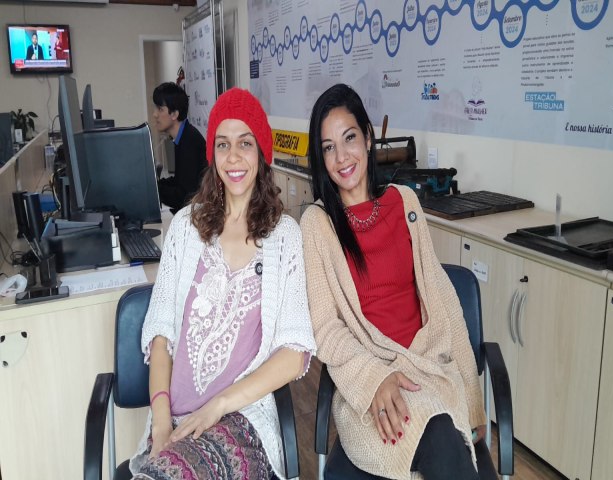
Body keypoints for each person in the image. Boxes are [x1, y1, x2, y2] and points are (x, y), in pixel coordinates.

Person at [301, 83, 486, 480]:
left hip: (429, 367)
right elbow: (325, 329)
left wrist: (473, 402)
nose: (341, 156)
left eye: (349, 138)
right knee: (440, 435)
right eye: (328, 147)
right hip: (369, 384)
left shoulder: (405, 202)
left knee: (444, 433)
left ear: (368, 138)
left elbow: (442, 299)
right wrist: (374, 378)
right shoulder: (317, 224)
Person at [130, 87, 316, 479]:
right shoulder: (185, 226)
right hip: (174, 417)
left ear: (261, 152)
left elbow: (294, 352)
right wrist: (160, 423)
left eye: (245, 143)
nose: (233, 157)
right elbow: (161, 334)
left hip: (241, 419)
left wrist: (217, 406)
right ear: (212, 154)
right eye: (223, 144)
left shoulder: (284, 236)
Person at [153, 82, 208, 214]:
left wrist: (155, 189)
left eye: (160, 109)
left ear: (174, 114)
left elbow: (185, 196)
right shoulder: (183, 136)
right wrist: (155, 185)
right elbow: (180, 181)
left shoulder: (189, 141)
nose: (155, 114)